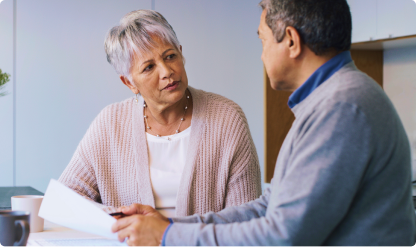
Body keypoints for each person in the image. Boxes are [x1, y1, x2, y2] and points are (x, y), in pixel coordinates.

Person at [110, 0, 416, 246]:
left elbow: (282, 236)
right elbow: (268, 205)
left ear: (292, 42)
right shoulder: (330, 100)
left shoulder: (341, 108)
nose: (261, 55)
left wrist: (166, 237)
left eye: (263, 40)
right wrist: (169, 225)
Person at [58, 10, 261, 218]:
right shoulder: (110, 124)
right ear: (129, 82)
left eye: (170, 56)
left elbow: (247, 220)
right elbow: (65, 199)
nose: (166, 72)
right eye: (149, 67)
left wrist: (170, 233)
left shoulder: (227, 118)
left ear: (181, 54)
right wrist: (124, 220)